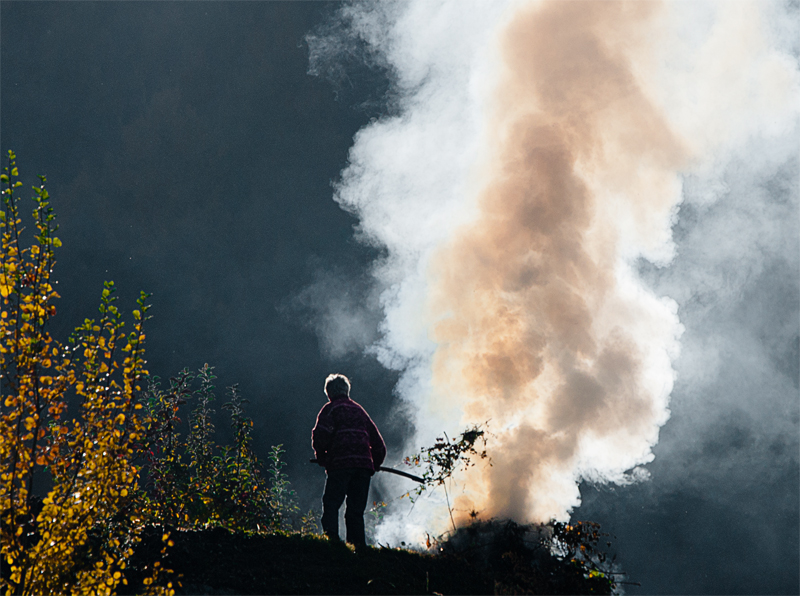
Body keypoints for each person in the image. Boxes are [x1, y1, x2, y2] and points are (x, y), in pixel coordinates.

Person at [311, 373, 386, 552]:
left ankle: (333, 543)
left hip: (340, 465)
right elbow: (379, 444)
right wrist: (374, 464)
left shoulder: (330, 409)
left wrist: (322, 457)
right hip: (363, 468)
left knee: (331, 504)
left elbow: (320, 436)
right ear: (347, 391)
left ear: (329, 392)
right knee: (355, 510)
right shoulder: (359, 411)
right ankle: (358, 547)